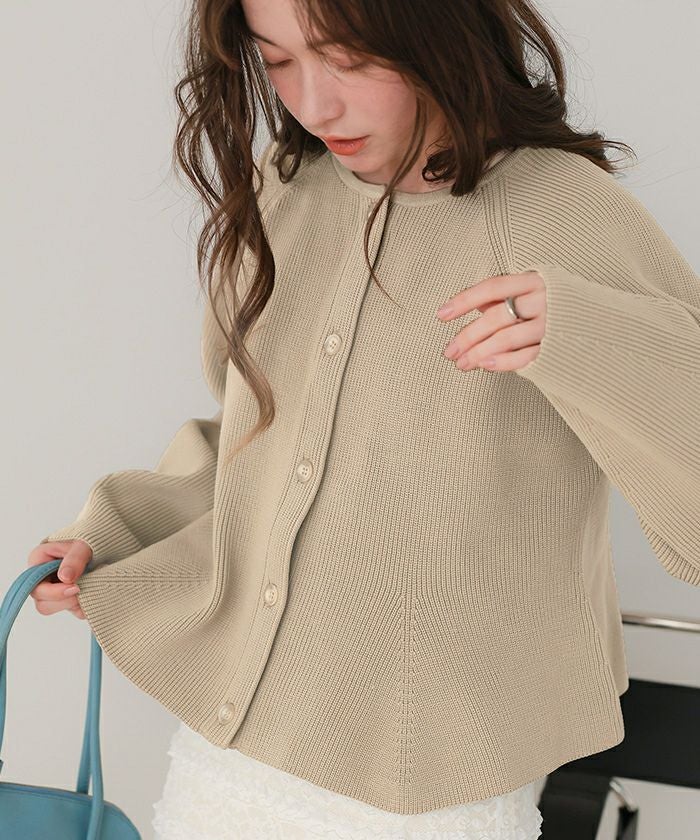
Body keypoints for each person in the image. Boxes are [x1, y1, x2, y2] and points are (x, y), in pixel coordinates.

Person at [29, 0, 699, 838]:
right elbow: (254, 440)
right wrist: (120, 531)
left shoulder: (559, 208)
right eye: (277, 61)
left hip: (432, 779)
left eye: (346, 58)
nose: (314, 104)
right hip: (233, 747)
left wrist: (592, 338)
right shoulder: (287, 186)